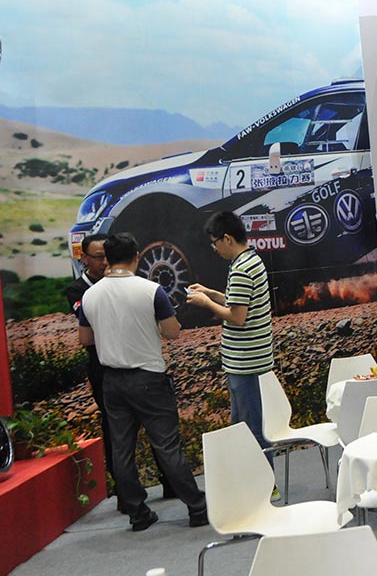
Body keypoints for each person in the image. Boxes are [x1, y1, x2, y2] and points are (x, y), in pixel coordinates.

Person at [77, 233, 207, 531]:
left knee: (121, 450)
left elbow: (85, 338)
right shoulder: (151, 290)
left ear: (107, 259)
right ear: (136, 256)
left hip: (112, 381)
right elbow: (172, 332)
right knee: (167, 446)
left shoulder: (90, 295)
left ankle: (137, 513)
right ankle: (197, 508)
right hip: (148, 378)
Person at [65, 234, 175, 509]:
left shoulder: (135, 286)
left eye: (107, 255)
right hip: (105, 370)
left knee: (158, 433)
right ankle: (129, 499)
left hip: (140, 364)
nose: (104, 262)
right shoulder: (82, 291)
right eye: (98, 257)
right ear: (84, 258)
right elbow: (86, 337)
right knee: (120, 439)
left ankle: (171, 484)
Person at [187, 211, 274, 457]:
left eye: (215, 243)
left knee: (252, 431)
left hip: (246, 363)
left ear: (227, 238)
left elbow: (237, 317)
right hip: (251, 361)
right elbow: (240, 302)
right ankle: (252, 476)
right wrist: (211, 293)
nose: (215, 249)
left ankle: (264, 478)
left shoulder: (241, 270)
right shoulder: (251, 260)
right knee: (246, 428)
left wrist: (206, 303)